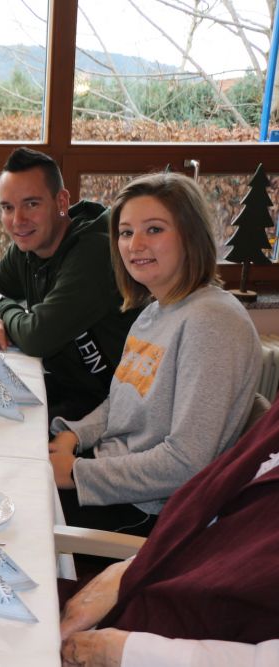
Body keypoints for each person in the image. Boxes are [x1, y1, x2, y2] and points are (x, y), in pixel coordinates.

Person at [49, 173, 260, 537]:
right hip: (111, 476)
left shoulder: (213, 322)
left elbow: (186, 462)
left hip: (145, 511)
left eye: (154, 229)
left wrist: (75, 473)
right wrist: (74, 435)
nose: (135, 244)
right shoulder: (155, 311)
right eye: (126, 232)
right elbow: (123, 399)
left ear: (191, 236)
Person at [58, 395, 279, 667]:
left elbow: (184, 462)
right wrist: (128, 571)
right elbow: (210, 511)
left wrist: (126, 653)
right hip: (153, 595)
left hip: (163, 641)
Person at [0, 147, 139, 421]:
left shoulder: (94, 253)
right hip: (66, 387)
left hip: (112, 408)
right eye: (8, 207)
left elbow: (37, 337)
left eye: (31, 204)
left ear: (61, 202)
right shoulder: (26, 247)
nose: (18, 221)